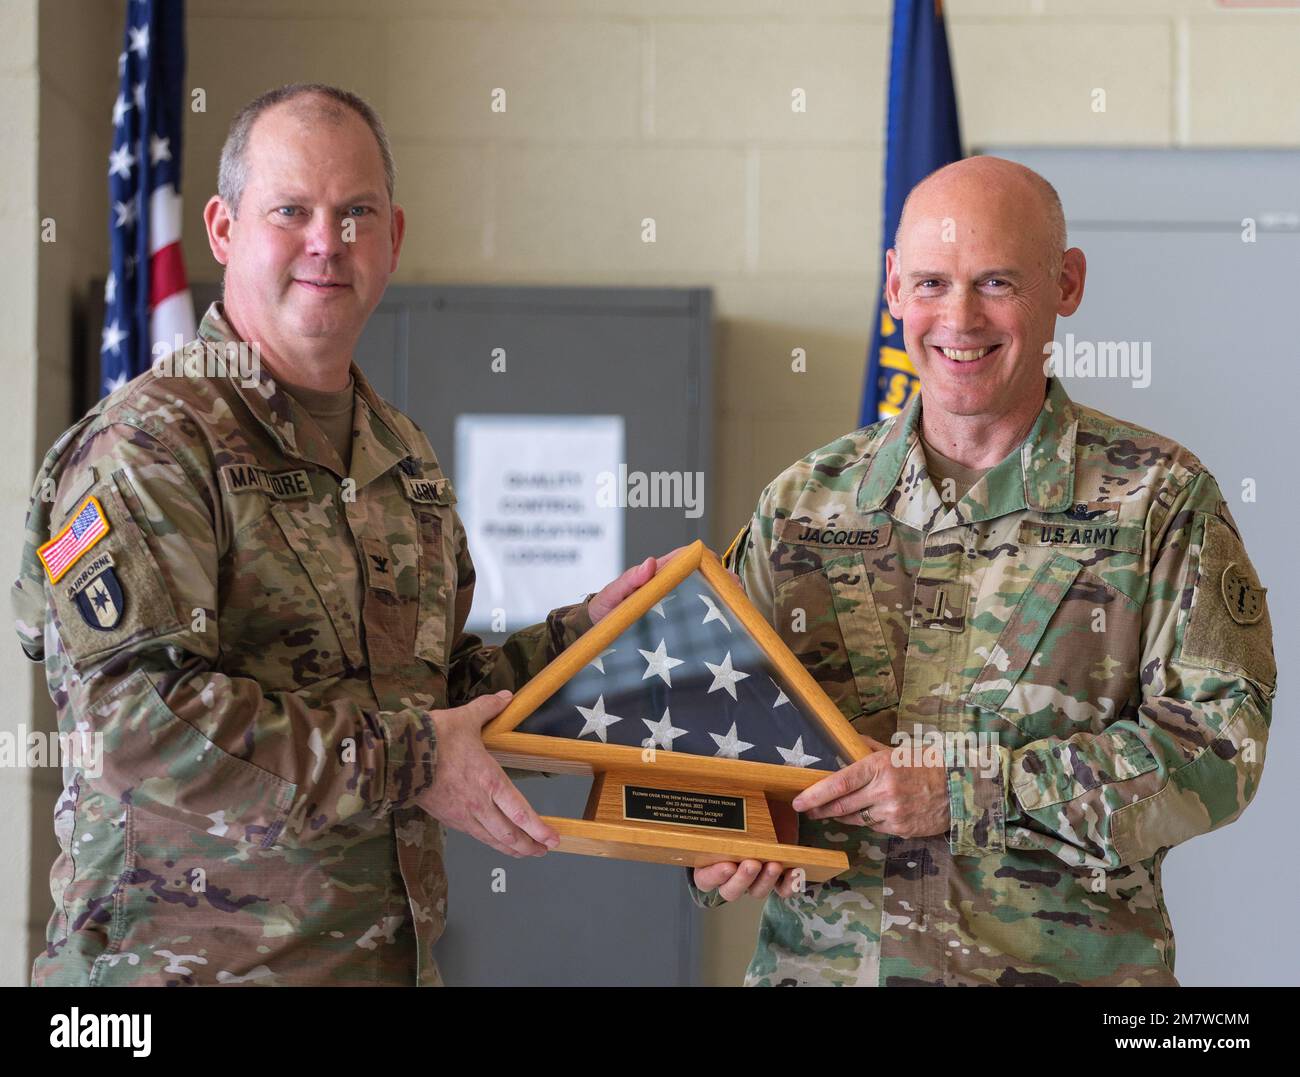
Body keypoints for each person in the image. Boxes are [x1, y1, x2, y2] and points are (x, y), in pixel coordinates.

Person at [13, 83, 659, 987]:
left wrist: (586, 643)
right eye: (292, 211)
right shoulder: (152, 442)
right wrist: (417, 761)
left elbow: (431, 693)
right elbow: (141, 731)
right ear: (225, 229)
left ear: (392, 239)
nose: (327, 242)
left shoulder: (402, 457)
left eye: (355, 213)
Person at [691, 156, 1277, 987]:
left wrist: (968, 794)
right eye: (931, 282)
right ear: (893, 287)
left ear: (1066, 285)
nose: (958, 319)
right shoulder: (804, 505)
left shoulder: (1160, 502)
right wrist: (715, 841)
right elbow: (711, 725)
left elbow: (1220, 750)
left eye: (996, 282)